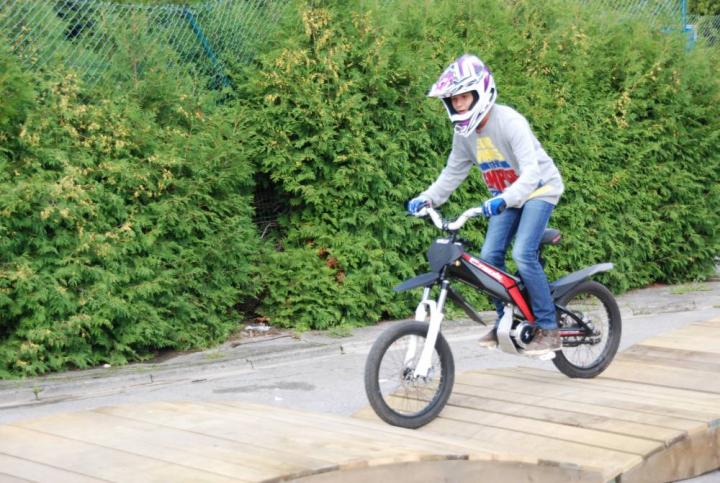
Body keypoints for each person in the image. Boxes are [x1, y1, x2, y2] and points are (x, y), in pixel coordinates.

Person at [407, 54, 564, 354]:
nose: (459, 104)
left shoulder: (510, 122)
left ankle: (549, 327)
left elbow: (531, 173)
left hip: (539, 190)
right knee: (490, 258)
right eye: (454, 99)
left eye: (464, 97)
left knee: (522, 253)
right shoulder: (464, 135)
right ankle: (506, 318)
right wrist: (427, 198)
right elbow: (452, 173)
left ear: (481, 93)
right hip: (506, 197)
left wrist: (503, 198)